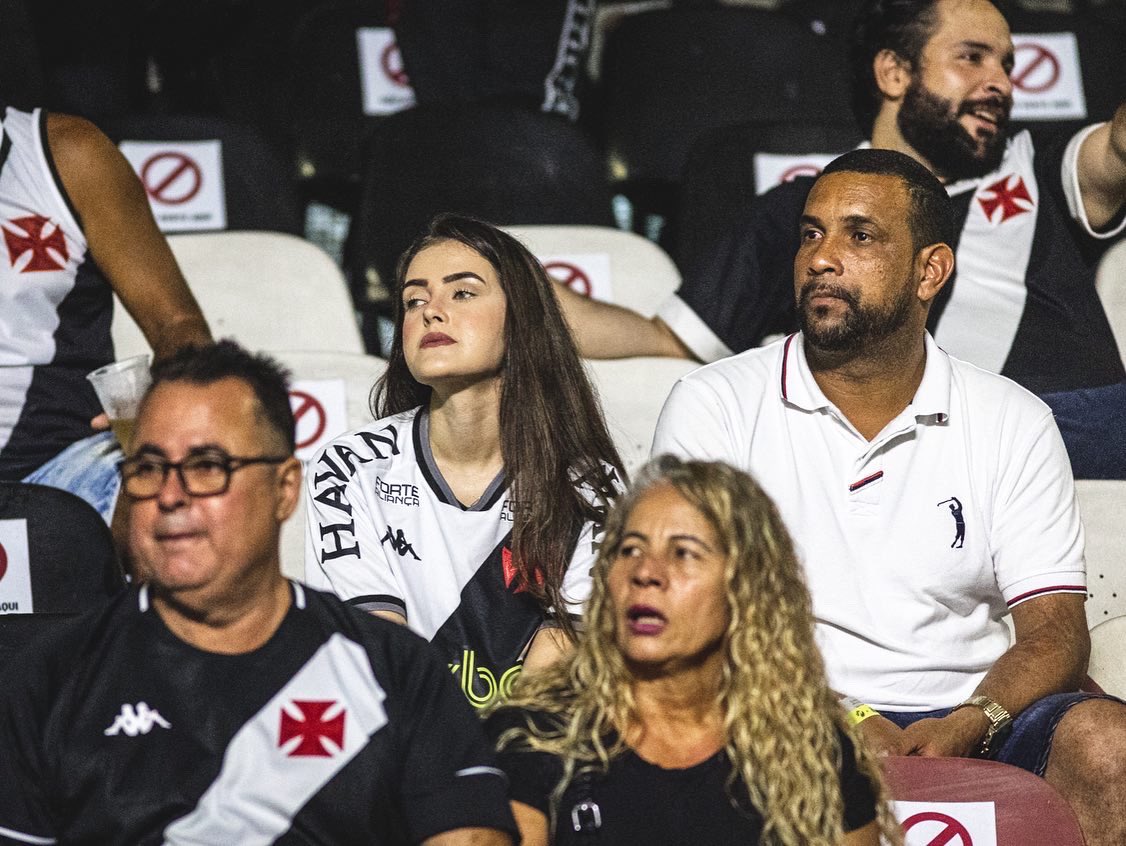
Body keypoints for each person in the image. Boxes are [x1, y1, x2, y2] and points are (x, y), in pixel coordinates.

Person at [651, 149, 1126, 846]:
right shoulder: (714, 404)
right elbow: (690, 616)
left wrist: (973, 721)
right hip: (780, 706)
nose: (821, 258)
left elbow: (1054, 632)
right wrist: (838, 715)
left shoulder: (1013, 418)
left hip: (974, 713)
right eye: (811, 234)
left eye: (860, 236)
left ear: (930, 271)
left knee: (1111, 747)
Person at [554, 0, 1126, 476]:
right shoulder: (804, 210)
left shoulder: (1040, 168)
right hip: (928, 450)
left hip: (1093, 431)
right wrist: (525, 288)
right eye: (971, 58)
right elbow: (667, 340)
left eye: (1007, 64)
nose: (1000, 82)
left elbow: (1117, 149)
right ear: (894, 73)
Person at [0, 340, 517, 845]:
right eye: (149, 468)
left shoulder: (394, 670)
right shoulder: (48, 682)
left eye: (207, 467)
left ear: (284, 489)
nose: (170, 495)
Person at [484, 455, 898, 846]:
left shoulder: (812, 752)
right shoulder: (536, 736)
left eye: (684, 553)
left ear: (745, 589)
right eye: (629, 550)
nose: (646, 573)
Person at [305, 214, 623, 709]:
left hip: (528, 737)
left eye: (462, 293)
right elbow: (377, 656)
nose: (431, 312)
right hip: (404, 731)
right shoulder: (349, 467)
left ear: (521, 319)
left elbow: (554, 675)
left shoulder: (587, 484)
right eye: (414, 301)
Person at [0, 99, 211, 519]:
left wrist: (164, 406)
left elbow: (178, 324)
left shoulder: (66, 154)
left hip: (62, 464)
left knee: (168, 496)